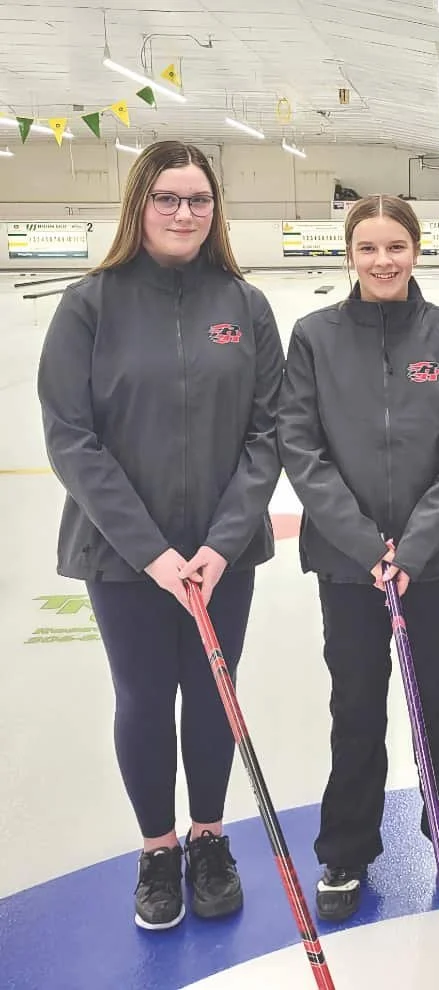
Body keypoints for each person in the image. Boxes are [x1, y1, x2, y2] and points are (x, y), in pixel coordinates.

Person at [36, 140, 284, 930]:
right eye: (168, 199)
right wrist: (150, 551)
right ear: (139, 204)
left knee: (214, 694)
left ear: (217, 211)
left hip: (222, 553)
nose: (185, 213)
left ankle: (210, 839)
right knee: (144, 699)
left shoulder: (244, 307)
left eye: (199, 200)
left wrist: (222, 542)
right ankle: (158, 850)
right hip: (124, 556)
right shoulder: (90, 304)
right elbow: (71, 437)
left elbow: (269, 432)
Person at [277, 194, 439, 922]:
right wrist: (367, 544)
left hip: (430, 565)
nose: (382, 260)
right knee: (357, 704)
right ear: (350, 254)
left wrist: (417, 542)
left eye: (395, 245)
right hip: (349, 564)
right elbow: (300, 448)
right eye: (368, 248)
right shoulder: (314, 337)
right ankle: (347, 848)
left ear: (416, 249)